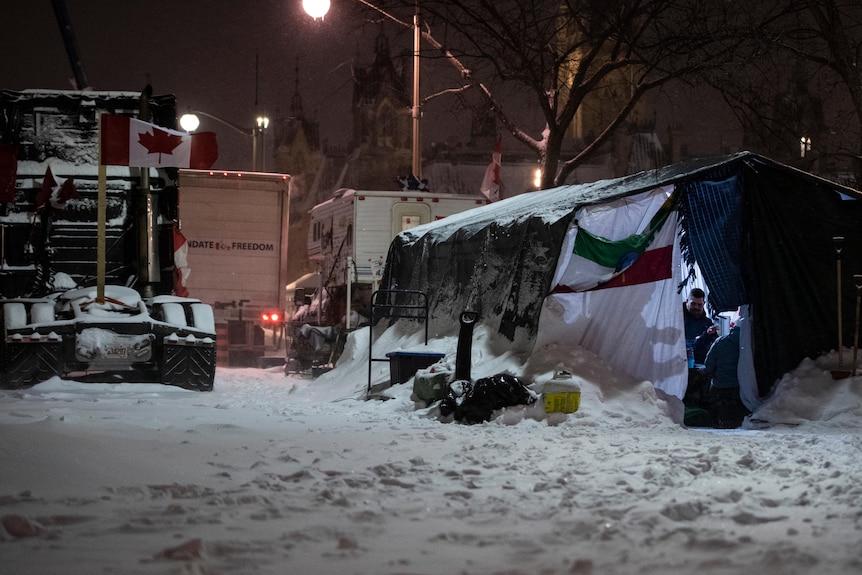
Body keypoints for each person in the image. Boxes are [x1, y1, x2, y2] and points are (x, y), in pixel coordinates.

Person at [702, 324, 748, 428]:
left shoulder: (720, 342)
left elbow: (708, 367)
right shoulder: (750, 344)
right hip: (741, 391)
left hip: (719, 388)